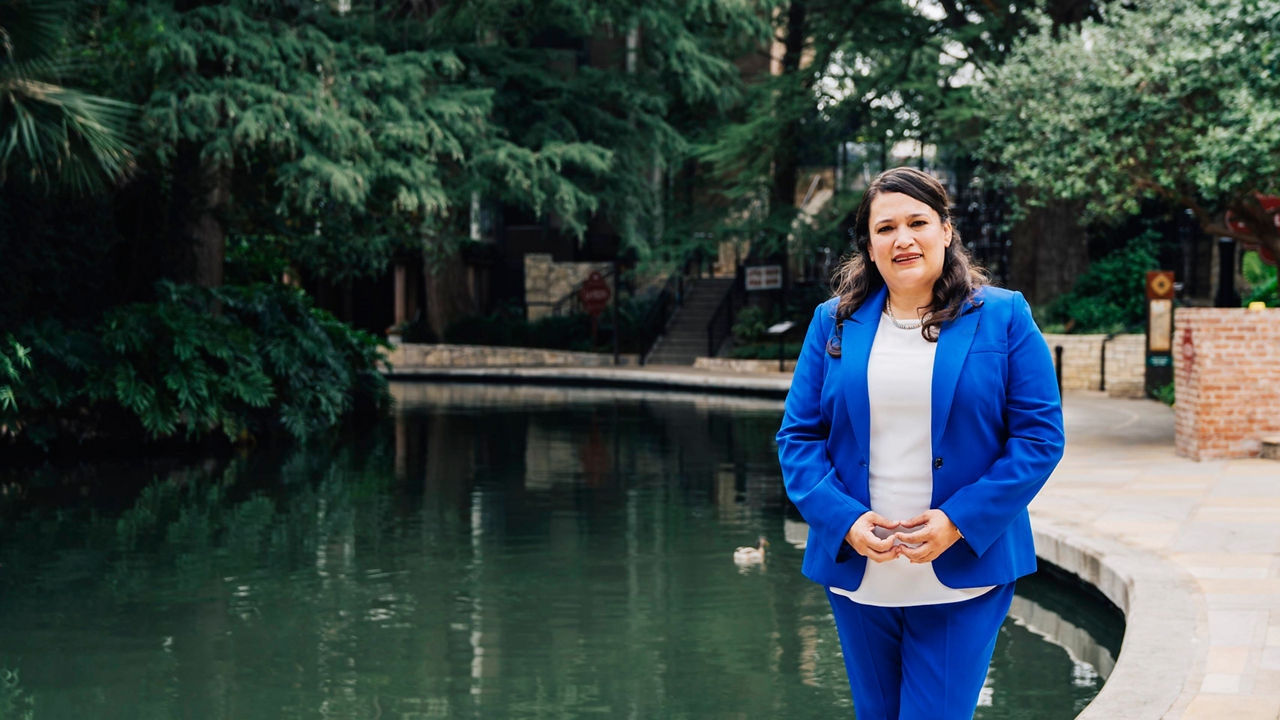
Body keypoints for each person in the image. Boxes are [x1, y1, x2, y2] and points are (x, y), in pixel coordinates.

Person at [776, 167, 1065, 719]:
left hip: (961, 566)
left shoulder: (1003, 316)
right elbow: (799, 437)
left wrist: (956, 520)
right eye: (885, 228)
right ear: (869, 244)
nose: (903, 239)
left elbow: (1039, 437)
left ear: (946, 230)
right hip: (860, 569)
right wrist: (845, 521)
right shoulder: (831, 323)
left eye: (917, 222)